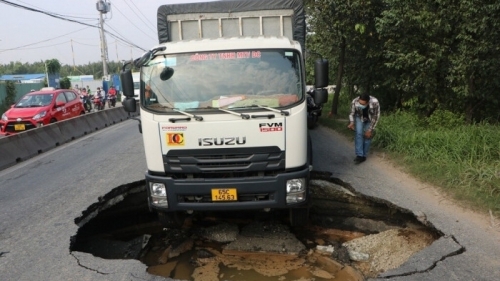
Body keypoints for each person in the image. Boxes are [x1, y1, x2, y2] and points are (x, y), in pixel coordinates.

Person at [347, 93, 380, 164]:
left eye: (363, 104)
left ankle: (364, 155)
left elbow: (376, 116)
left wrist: (370, 130)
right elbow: (352, 113)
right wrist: (352, 122)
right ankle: (359, 155)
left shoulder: (375, 102)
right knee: (358, 133)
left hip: (370, 119)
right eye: (360, 103)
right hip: (359, 117)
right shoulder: (355, 101)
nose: (361, 105)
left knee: (367, 136)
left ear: (368, 102)